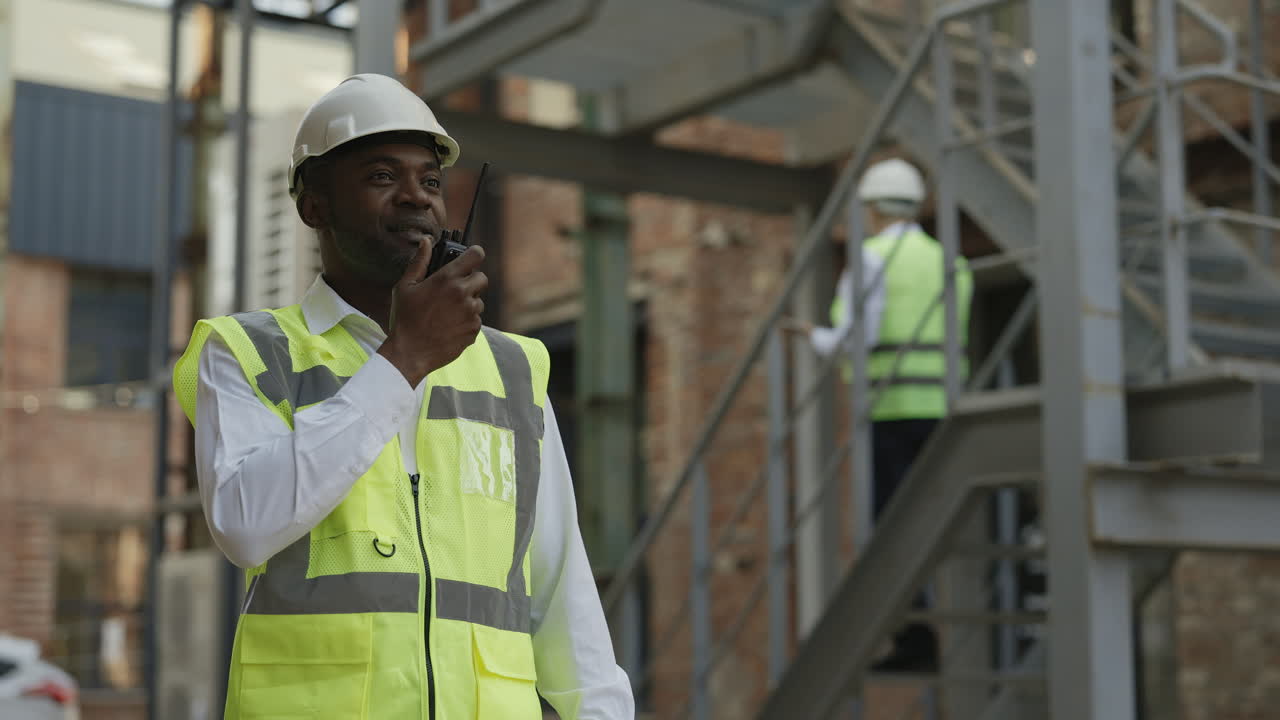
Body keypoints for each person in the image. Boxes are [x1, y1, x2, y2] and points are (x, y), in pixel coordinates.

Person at [172, 74, 634, 720]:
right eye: (382, 176)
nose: (416, 196)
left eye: (431, 181)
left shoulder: (511, 368)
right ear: (314, 207)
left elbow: (562, 591)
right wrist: (404, 359)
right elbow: (246, 525)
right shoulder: (247, 351)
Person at [792, 158, 973, 672]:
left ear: (871, 209)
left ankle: (914, 637)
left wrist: (814, 337)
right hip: (943, 410)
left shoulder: (871, 259)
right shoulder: (952, 262)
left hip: (892, 410)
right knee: (930, 518)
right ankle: (922, 632)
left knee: (893, 527)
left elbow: (858, 339)